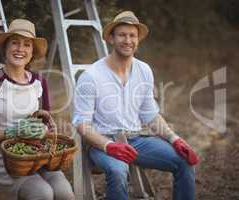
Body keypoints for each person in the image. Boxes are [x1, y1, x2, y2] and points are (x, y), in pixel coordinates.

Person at [73, 11, 199, 200]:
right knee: (118, 170)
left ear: (138, 39)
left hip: (136, 139)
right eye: (122, 35)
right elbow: (82, 124)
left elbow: (150, 115)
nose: (128, 40)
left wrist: (175, 139)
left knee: (184, 161)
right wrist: (109, 146)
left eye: (132, 35)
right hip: (102, 142)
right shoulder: (91, 76)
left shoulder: (144, 70)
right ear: (112, 39)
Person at [0, 19, 75, 200]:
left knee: (64, 193)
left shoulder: (39, 82)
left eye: (27, 45)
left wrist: (44, 130)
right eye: (15, 43)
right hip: (0, 157)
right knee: (42, 193)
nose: (20, 49)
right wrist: (14, 132)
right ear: (6, 47)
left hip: (36, 152)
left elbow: (46, 123)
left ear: (32, 52)